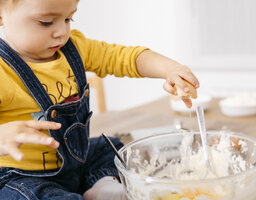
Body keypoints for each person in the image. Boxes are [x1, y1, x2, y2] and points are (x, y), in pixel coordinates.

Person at [0, 0, 200, 199]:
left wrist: (170, 69)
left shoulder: (74, 48)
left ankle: (102, 188)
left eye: (69, 18)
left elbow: (124, 57)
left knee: (110, 148)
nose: (61, 31)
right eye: (46, 22)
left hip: (77, 164)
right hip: (21, 179)